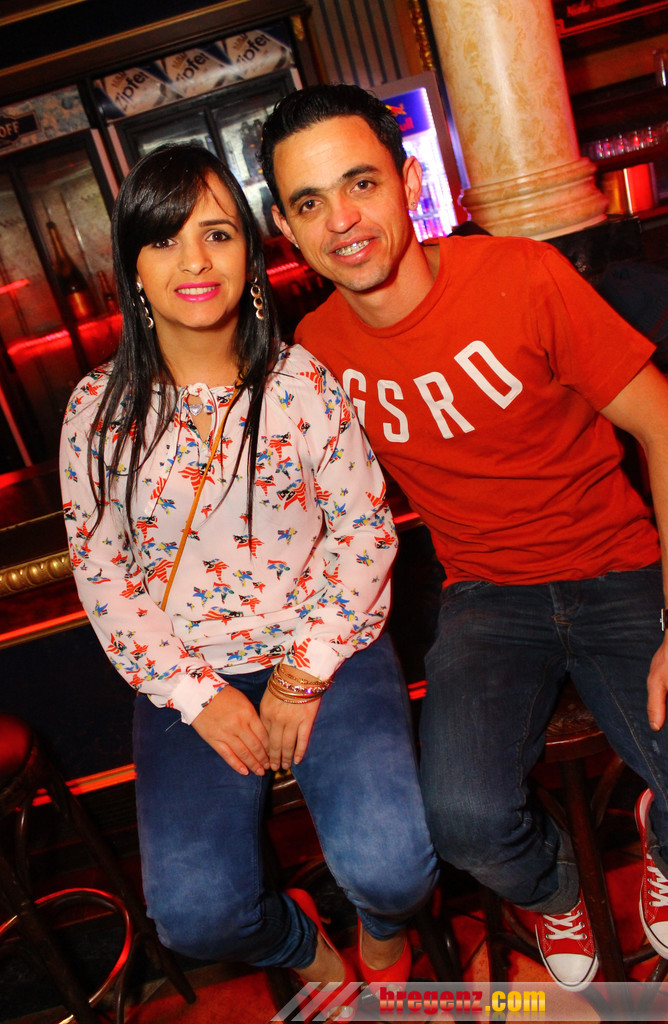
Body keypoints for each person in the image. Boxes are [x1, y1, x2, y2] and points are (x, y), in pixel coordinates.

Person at [260, 83, 668, 992]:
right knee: (462, 824)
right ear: (286, 230)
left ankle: (667, 843)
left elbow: (667, 428)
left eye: (361, 183)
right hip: (488, 598)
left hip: (617, 566)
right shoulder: (314, 353)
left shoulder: (519, 275)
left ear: (408, 181)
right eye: (310, 202)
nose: (342, 220)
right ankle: (556, 887)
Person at [59, 143, 437, 1021]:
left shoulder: (303, 382)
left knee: (395, 868)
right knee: (198, 916)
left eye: (217, 234)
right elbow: (103, 575)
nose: (193, 261)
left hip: (327, 647)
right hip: (188, 671)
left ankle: (383, 932)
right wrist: (199, 696)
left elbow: (363, 532)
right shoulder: (96, 412)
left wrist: (303, 673)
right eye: (164, 239)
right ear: (132, 266)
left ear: (250, 253)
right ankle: (302, 943)